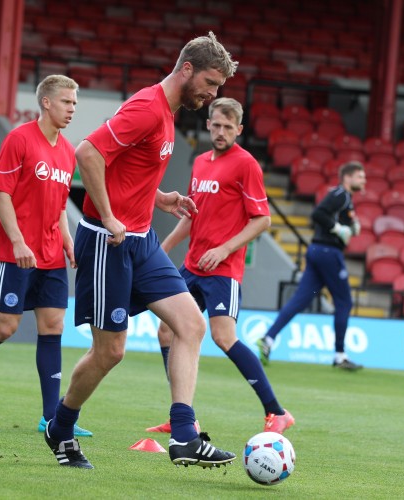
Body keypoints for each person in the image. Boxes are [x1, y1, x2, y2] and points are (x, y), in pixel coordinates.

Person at [43, 32, 238, 470]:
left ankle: (185, 437)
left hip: (142, 240)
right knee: (110, 352)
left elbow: (127, 172)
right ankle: (61, 425)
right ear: (186, 69)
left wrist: (161, 198)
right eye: (209, 83)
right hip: (107, 242)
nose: (212, 95)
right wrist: (110, 215)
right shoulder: (149, 108)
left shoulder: (168, 115)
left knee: (190, 325)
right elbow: (88, 152)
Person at [0, 75, 92, 437]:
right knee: (4, 328)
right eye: (67, 102)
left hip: (52, 253)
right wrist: (19, 241)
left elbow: (57, 205)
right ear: (46, 103)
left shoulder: (67, 151)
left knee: (53, 326)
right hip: (16, 252)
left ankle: (51, 417)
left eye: (74, 103)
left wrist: (68, 240)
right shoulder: (19, 139)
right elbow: (1, 194)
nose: (72, 109)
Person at [145, 97, 294, 436]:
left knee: (223, 337)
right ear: (208, 124)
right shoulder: (200, 163)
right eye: (217, 124)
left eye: (229, 126)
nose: (222, 131)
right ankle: (184, 416)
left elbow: (263, 220)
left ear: (239, 129)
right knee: (166, 330)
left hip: (223, 269)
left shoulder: (246, 165)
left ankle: (276, 411)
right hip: (192, 265)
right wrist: (163, 248)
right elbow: (191, 216)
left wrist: (225, 248)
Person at [257, 161, 367, 371]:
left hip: (317, 252)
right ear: (348, 177)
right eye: (360, 176)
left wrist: (350, 226)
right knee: (344, 302)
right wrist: (337, 228)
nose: (364, 181)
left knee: (300, 300)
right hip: (328, 253)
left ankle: (268, 339)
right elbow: (318, 214)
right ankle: (339, 355)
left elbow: (331, 216)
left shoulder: (345, 199)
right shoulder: (341, 195)